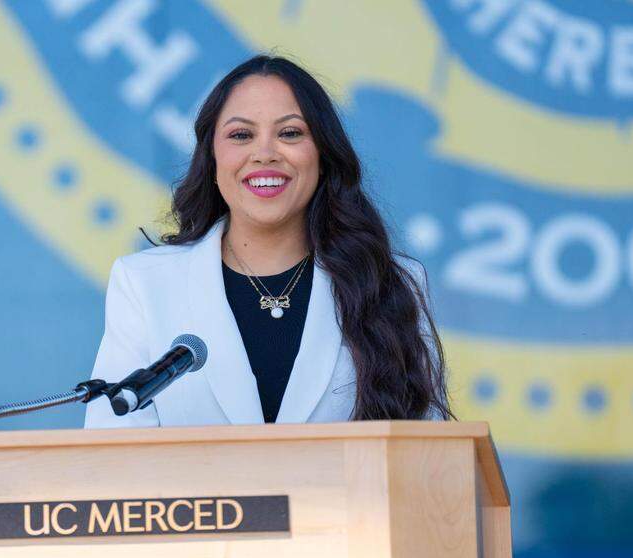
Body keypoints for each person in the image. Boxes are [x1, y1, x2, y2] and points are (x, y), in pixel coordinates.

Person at [85, 55, 451, 429]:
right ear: (212, 157)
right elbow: (112, 450)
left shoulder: (389, 280)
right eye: (241, 135)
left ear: (322, 155)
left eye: (290, 133)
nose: (265, 154)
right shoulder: (145, 283)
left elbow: (426, 455)